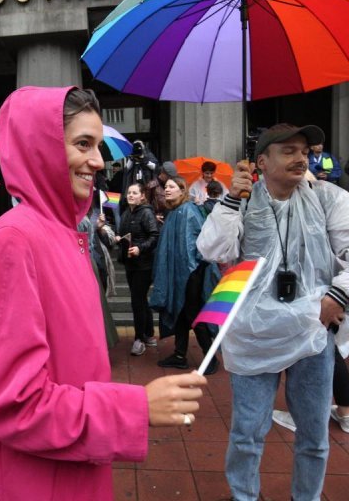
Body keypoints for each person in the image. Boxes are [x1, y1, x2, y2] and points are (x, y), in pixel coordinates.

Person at [0, 86, 207, 500]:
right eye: (82, 144)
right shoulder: (15, 240)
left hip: (63, 469)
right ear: (41, 149)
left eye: (98, 144)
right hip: (30, 482)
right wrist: (136, 408)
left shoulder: (61, 233)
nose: (97, 160)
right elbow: (14, 404)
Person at [197, 123, 349, 501]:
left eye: (303, 150)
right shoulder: (243, 199)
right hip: (253, 332)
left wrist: (339, 294)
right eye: (288, 151)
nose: (300, 158)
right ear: (262, 161)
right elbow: (213, 250)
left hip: (312, 332)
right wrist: (232, 198)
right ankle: (244, 495)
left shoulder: (330, 199)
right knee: (247, 431)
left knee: (313, 435)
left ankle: (307, 497)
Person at [150, 176, 221, 374]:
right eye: (165, 187)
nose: (167, 190)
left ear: (182, 190)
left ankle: (210, 358)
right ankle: (180, 355)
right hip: (182, 273)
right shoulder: (173, 213)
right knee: (181, 314)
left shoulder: (188, 211)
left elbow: (199, 242)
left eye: (172, 187)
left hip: (192, 274)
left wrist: (193, 271)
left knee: (192, 314)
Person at [116, 182, 160, 356]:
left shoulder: (146, 212)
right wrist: (118, 237)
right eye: (129, 193)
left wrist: (140, 248)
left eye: (134, 193)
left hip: (144, 265)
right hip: (130, 263)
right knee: (140, 300)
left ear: (142, 196)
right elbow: (126, 234)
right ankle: (148, 334)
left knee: (137, 301)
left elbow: (154, 235)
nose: (131, 196)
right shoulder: (127, 213)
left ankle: (139, 339)